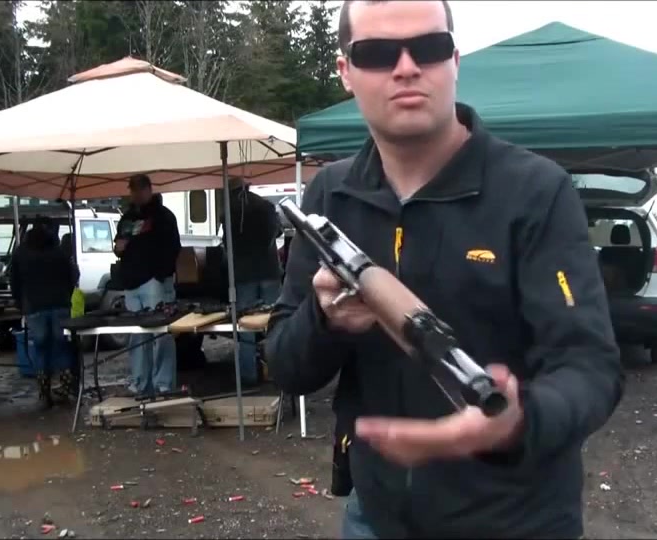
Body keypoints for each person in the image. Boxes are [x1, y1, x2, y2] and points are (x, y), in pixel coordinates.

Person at [264, 1, 624, 538]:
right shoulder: (330, 196)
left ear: (455, 60)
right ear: (346, 71)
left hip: (519, 521)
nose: (406, 68)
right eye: (378, 53)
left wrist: (518, 420)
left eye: (428, 48)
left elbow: (590, 366)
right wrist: (325, 320)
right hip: (377, 519)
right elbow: (285, 367)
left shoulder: (536, 191)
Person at [114, 174, 181, 397]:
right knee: (137, 336)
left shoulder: (164, 217)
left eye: (139, 189)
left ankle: (163, 384)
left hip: (154, 282)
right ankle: (141, 383)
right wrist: (118, 249)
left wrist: (160, 275)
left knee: (161, 333)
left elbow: (174, 248)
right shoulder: (127, 218)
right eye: (133, 189)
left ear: (149, 189)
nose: (135, 194)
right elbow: (118, 245)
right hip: (131, 283)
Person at [10, 218, 79, 408]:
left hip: (34, 307)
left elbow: (14, 281)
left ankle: (44, 393)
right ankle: (66, 389)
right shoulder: (58, 251)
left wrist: (19, 303)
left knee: (41, 349)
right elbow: (73, 275)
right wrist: (67, 294)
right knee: (61, 347)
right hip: (60, 305)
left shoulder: (21, 252)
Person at [224, 182, 283, 388]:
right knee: (274, 322)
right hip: (268, 270)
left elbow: (227, 242)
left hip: (243, 274)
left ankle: (247, 375)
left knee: (244, 325)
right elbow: (278, 231)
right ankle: (277, 371)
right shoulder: (266, 205)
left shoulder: (228, 210)